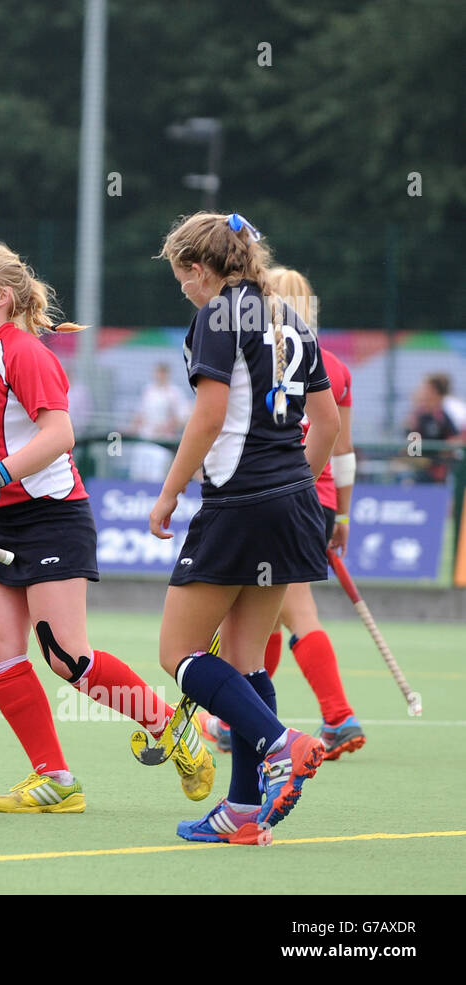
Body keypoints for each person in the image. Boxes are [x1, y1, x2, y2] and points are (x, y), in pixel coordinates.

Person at [0, 241, 214, 815]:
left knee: (67, 659)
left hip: (53, 518)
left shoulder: (23, 353)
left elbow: (58, 434)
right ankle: (54, 778)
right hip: (0, 521)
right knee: (0, 652)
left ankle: (171, 728)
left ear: (3, 297)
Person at [152, 212, 339, 845]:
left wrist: (169, 492)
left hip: (236, 504)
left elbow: (207, 417)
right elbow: (329, 424)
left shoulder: (219, 314)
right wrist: (294, 487)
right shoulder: (289, 316)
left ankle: (282, 745)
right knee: (245, 658)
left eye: (183, 278)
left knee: (177, 654)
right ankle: (243, 810)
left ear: (200, 269)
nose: (184, 290)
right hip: (293, 504)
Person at [201, 267, 364, 759]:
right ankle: (239, 720)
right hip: (320, 497)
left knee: (295, 614)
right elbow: (344, 451)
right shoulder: (332, 363)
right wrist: (341, 520)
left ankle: (336, 715)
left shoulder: (251, 351)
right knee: (265, 622)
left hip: (275, 496)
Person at [129, 362, 190, 482]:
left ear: (167, 374)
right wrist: (131, 428)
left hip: (162, 442)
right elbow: (140, 414)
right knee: (138, 474)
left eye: (162, 373)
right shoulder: (148, 390)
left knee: (156, 476)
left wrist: (166, 427)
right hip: (145, 438)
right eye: (158, 372)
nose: (159, 376)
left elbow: (183, 417)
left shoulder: (175, 392)